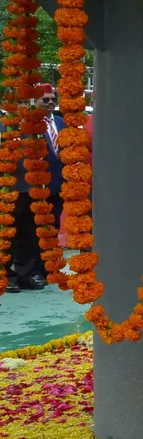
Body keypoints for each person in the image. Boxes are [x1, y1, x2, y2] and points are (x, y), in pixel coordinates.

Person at [5, 84, 64, 292]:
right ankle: (7, 274)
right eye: (16, 102)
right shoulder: (5, 124)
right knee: (7, 234)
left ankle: (25, 273)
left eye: (22, 102)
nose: (20, 106)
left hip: (31, 186)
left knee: (28, 234)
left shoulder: (32, 125)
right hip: (8, 187)